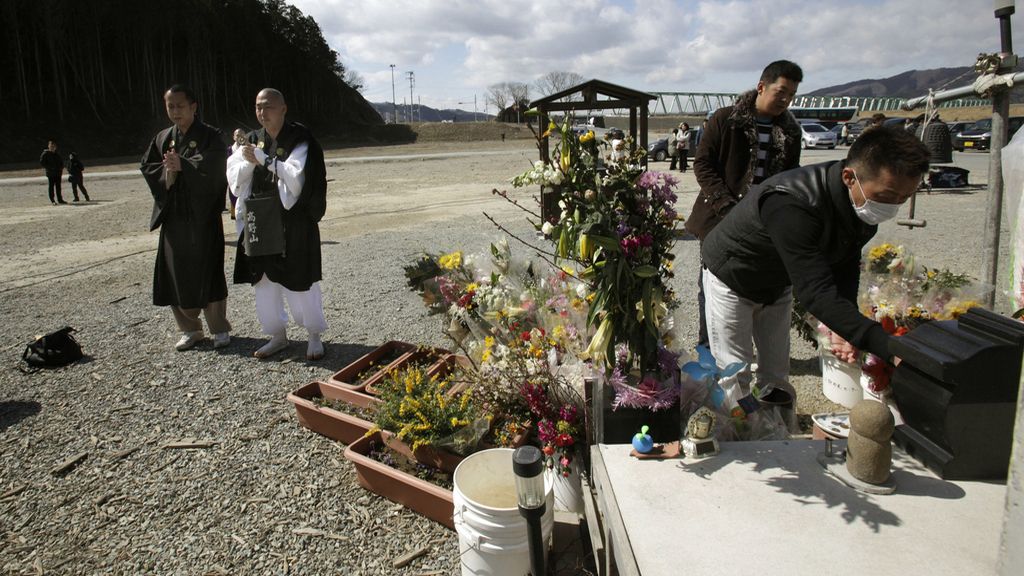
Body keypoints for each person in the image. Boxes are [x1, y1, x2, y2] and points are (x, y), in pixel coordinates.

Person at [700, 127, 930, 403]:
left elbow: (844, 265)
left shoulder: (859, 205)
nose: (893, 206)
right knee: (734, 371)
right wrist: (887, 347)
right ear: (849, 177)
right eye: (887, 196)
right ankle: (735, 426)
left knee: (776, 370)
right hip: (733, 276)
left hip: (778, 279)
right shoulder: (791, 202)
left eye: (903, 198)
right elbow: (814, 291)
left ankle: (774, 422)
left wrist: (844, 328)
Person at [685, 59, 804, 348]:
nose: (786, 100)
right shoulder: (726, 119)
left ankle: (742, 348)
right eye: (781, 92)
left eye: (791, 95)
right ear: (761, 86)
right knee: (712, 283)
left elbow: (791, 175)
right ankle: (708, 348)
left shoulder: (791, 131)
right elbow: (703, 165)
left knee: (758, 285)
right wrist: (727, 206)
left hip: (765, 224)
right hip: (718, 218)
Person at [228, 88, 328, 361]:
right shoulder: (251, 139)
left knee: (300, 278)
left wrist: (265, 160)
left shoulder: (299, 139)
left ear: (283, 109)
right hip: (260, 218)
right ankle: (277, 335)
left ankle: (314, 334)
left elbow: (296, 178)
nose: (263, 112)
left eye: (268, 106)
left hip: (292, 219)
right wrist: (250, 162)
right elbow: (234, 178)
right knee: (263, 280)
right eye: (258, 107)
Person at [140, 84, 232, 351]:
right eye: (170, 106)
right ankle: (190, 329)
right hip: (174, 216)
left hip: (203, 216)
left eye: (180, 105)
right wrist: (167, 173)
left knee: (209, 271)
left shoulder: (211, 136)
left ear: (194, 106)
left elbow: (218, 167)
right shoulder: (162, 138)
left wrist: (185, 166)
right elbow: (148, 166)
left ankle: (219, 328)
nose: (175, 111)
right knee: (175, 272)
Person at [39, 140, 66, 205]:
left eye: (53, 146)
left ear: (55, 147)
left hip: (58, 173)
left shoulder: (57, 154)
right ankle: (52, 200)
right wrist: (50, 168)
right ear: (48, 146)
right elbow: (42, 163)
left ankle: (60, 199)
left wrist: (61, 167)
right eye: (51, 146)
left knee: (58, 187)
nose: (52, 148)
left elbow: (61, 162)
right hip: (50, 173)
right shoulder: (45, 154)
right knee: (51, 187)